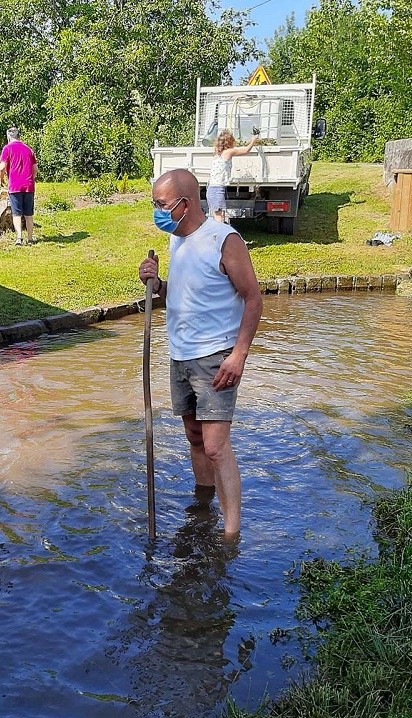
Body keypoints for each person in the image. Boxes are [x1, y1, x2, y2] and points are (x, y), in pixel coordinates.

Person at [138, 169, 263, 536]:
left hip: (214, 358)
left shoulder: (224, 240)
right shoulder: (177, 239)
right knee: (194, 436)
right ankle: (203, 504)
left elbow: (253, 300)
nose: (157, 212)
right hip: (181, 355)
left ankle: (231, 534)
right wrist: (156, 284)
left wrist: (238, 356)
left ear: (185, 204)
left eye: (161, 205)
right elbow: (181, 296)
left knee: (215, 446)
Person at [207, 128, 259, 223]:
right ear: (229, 142)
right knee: (220, 218)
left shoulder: (217, 154)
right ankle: (220, 236)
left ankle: (216, 235)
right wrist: (253, 141)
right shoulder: (228, 152)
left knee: (216, 216)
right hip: (217, 189)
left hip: (211, 189)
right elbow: (246, 150)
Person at [0, 126, 38, 246]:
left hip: (15, 185)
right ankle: (30, 239)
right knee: (29, 214)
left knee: (16, 213)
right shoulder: (28, 149)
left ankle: (19, 238)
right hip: (29, 185)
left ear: (8, 137)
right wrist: (31, 178)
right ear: (18, 136)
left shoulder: (7, 148)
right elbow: (35, 169)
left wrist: (1, 180)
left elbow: (1, 168)